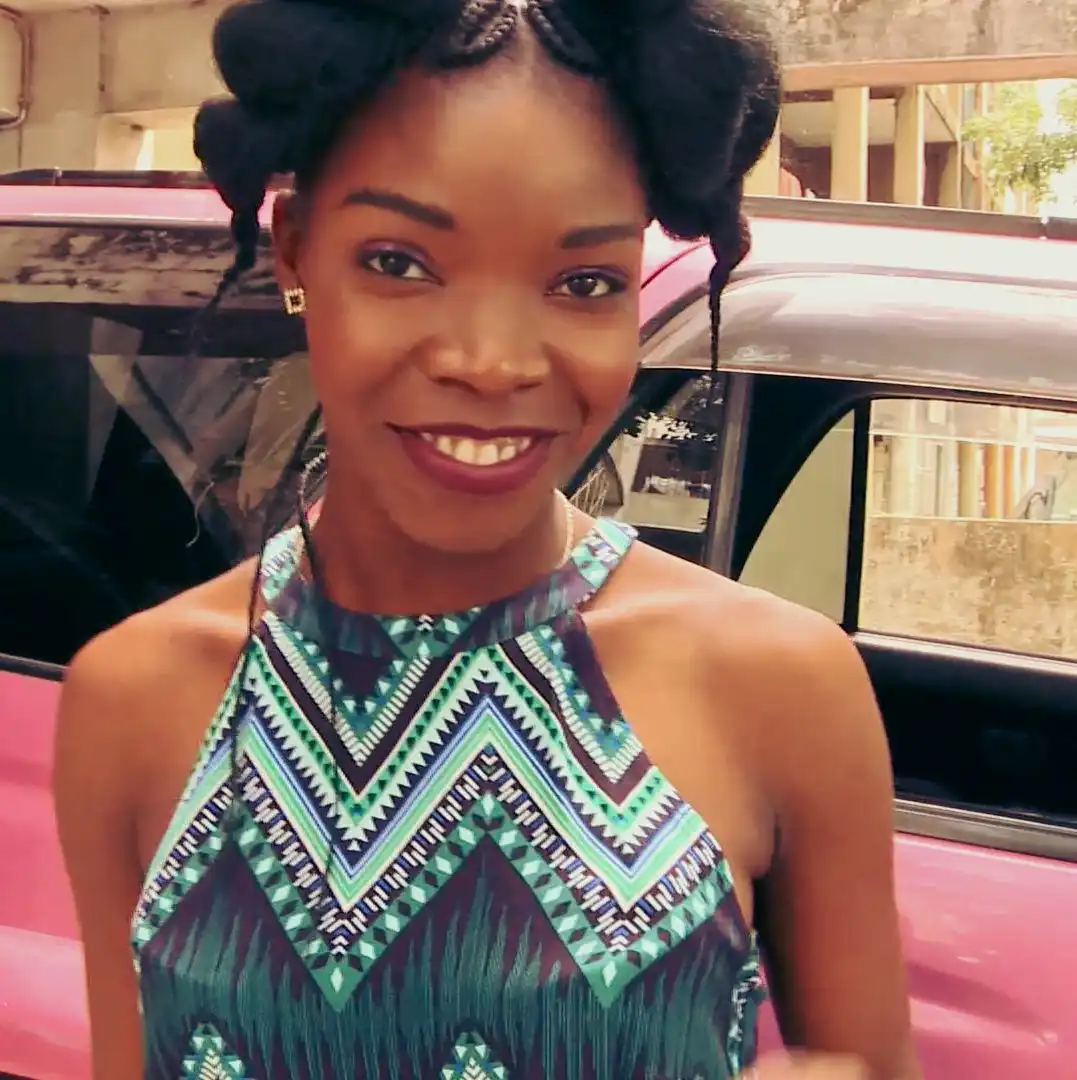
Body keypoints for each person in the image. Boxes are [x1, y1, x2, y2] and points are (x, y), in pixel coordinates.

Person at [53, 1, 920, 1078]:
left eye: (584, 282)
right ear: (293, 250)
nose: (495, 362)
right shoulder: (130, 699)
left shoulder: (777, 684)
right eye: (401, 262)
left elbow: (867, 1065)